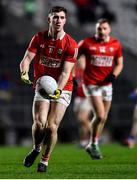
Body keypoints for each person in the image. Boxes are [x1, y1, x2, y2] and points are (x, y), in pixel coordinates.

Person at [20, 6, 78, 172]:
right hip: (42, 84)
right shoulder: (38, 38)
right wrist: (24, 72)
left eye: (61, 17)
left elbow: (66, 73)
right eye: (55, 17)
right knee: (39, 124)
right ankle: (37, 148)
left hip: (63, 86)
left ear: (65, 20)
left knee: (51, 126)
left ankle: (44, 160)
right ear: (49, 19)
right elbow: (26, 59)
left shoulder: (71, 45)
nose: (58, 20)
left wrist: (58, 90)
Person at [78, 18, 123, 159]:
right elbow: (72, 57)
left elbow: (119, 63)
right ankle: (93, 143)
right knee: (101, 115)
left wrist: (114, 75)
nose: (102, 31)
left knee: (103, 118)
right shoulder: (86, 43)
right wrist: (71, 75)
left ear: (109, 29)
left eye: (104, 28)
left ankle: (93, 144)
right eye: (99, 28)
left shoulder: (115, 44)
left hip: (107, 85)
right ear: (96, 29)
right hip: (91, 83)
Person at [73, 55, 95, 148]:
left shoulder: (89, 71)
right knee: (80, 121)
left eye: (83, 59)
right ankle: (84, 141)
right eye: (80, 59)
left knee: (82, 118)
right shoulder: (76, 70)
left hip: (87, 97)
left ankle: (96, 135)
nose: (81, 61)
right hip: (78, 98)